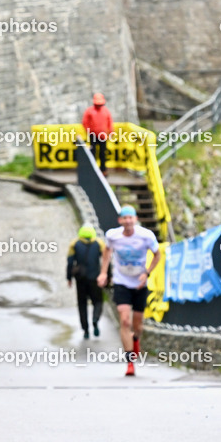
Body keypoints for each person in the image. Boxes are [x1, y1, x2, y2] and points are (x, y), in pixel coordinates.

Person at [97, 206, 161, 377]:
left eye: (130, 218)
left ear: (136, 219)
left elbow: (158, 255)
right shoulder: (113, 235)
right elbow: (107, 251)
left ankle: (136, 339)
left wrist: (147, 273)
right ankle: (130, 361)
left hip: (139, 283)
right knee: (125, 320)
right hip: (121, 281)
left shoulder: (146, 236)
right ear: (120, 221)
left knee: (137, 325)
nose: (128, 221)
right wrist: (103, 272)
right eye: (124, 218)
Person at [67, 224, 104, 340]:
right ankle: (95, 319)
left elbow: (70, 262)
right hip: (95, 278)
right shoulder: (99, 243)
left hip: (81, 279)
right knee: (98, 301)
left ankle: (86, 330)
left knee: (82, 304)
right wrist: (108, 276)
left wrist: (69, 278)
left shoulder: (75, 244)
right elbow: (106, 260)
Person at [81, 92, 112, 174]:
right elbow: (85, 122)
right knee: (93, 152)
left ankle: (103, 169)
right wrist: (89, 131)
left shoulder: (106, 111)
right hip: (93, 135)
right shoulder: (89, 110)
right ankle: (92, 169)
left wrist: (111, 132)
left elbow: (110, 122)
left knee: (103, 153)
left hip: (103, 135)